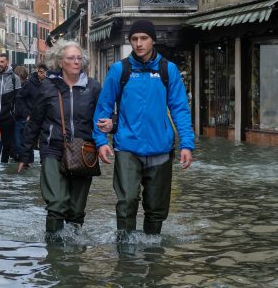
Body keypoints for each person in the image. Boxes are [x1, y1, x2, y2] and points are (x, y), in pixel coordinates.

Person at [92, 19, 194, 238]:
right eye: (134, 39)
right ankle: (125, 251)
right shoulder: (120, 70)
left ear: (153, 40)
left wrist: (187, 144)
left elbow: (180, 109)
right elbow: (103, 109)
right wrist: (101, 141)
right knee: (127, 201)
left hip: (161, 148)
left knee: (156, 209)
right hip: (127, 147)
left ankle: (152, 252)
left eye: (143, 38)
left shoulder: (169, 70)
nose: (138, 43)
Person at [17, 41, 106, 234]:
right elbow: (35, 122)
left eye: (79, 58)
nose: (76, 62)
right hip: (52, 149)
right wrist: (25, 155)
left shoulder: (93, 87)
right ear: (59, 62)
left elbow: (107, 116)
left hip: (85, 152)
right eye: (71, 58)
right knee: (57, 204)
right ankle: (54, 254)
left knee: (76, 211)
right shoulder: (48, 87)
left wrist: (111, 126)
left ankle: (73, 256)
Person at [13, 63, 48, 163]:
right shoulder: (30, 83)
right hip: (26, 120)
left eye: (43, 72)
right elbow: (19, 98)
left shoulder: (49, 85)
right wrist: (27, 114)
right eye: (39, 72)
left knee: (38, 148)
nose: (40, 74)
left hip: (42, 121)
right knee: (22, 147)